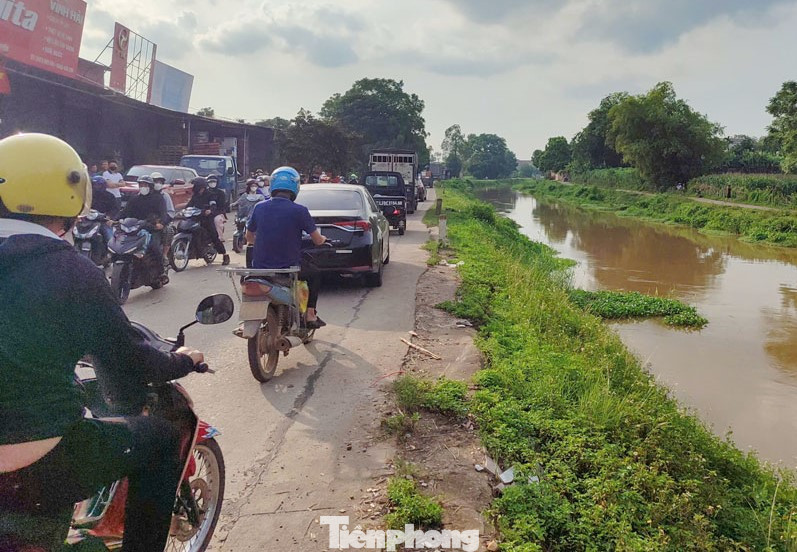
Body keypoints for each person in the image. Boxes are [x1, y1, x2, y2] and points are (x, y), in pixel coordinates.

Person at [0, 133, 206, 551]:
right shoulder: (69, 270)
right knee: (162, 439)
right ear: (72, 193)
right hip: (33, 462)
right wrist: (181, 360)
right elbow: (128, 360)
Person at [246, 166, 328, 328]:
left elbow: (249, 238)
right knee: (315, 274)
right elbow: (317, 240)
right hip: (288, 268)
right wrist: (324, 238)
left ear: (273, 186)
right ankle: (310, 315)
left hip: (260, 269)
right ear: (295, 187)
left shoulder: (259, 207)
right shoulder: (299, 211)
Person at [119, 176, 169, 279]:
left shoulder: (158, 198)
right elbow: (124, 212)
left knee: (154, 247)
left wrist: (161, 224)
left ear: (150, 186)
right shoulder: (134, 199)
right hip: (134, 229)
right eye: (141, 185)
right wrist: (113, 220)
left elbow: (163, 213)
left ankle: (161, 272)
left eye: (145, 185)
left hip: (151, 229)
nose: (143, 187)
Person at [187, 177, 230, 265]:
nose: (197, 188)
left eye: (198, 186)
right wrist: (183, 211)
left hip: (206, 218)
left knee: (214, 235)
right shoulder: (195, 196)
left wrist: (210, 210)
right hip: (196, 217)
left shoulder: (210, 195)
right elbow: (189, 205)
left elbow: (213, 204)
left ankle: (225, 255)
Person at [151, 172, 176, 265]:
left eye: (159, 181)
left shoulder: (165, 196)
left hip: (161, 222)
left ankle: (164, 255)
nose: (157, 183)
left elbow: (171, 212)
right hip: (146, 222)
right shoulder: (142, 195)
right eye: (155, 181)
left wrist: (162, 223)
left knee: (168, 230)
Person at [90, 176, 119, 244]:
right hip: (88, 221)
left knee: (110, 239)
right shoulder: (88, 196)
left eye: (98, 185)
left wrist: (109, 216)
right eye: (94, 185)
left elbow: (115, 209)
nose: (96, 187)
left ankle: (110, 253)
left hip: (103, 221)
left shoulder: (110, 196)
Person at [206, 174, 228, 241]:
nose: (212, 183)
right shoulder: (205, 192)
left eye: (214, 182)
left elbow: (222, 206)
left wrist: (213, 212)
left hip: (218, 212)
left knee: (217, 220)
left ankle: (219, 237)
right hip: (206, 212)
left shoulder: (221, 193)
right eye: (210, 182)